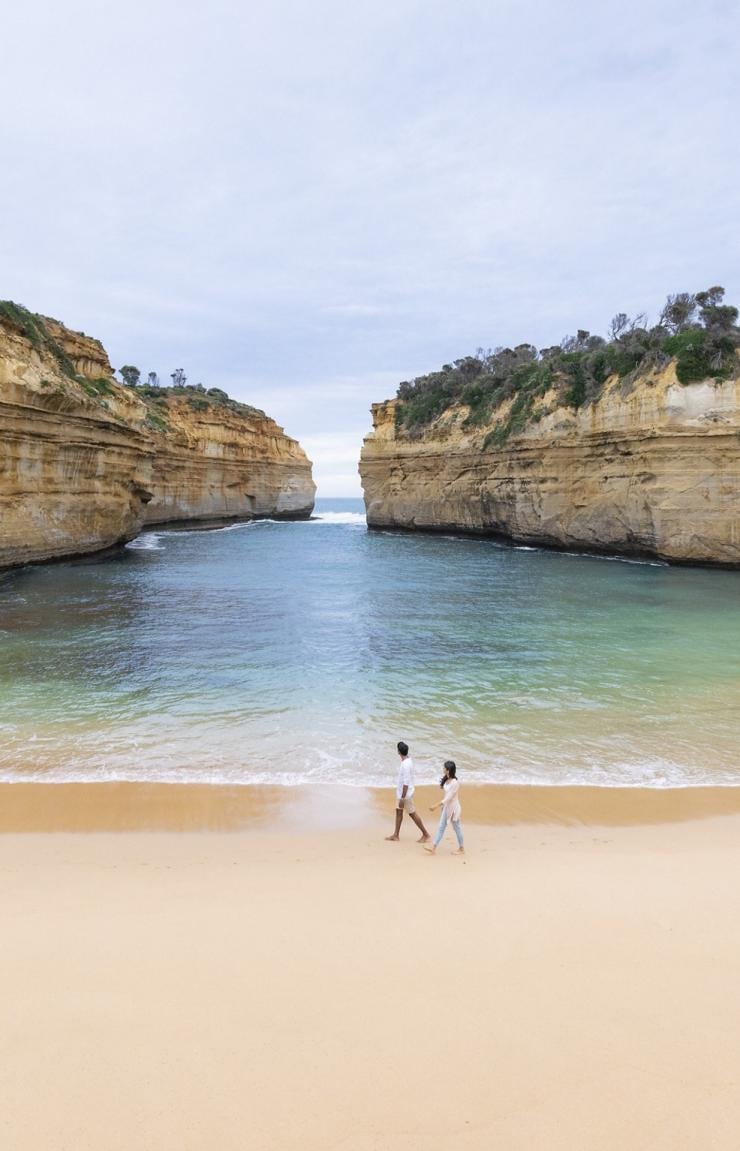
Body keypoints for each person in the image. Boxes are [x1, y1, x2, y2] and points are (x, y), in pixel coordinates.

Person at [385, 741, 430, 843]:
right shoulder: (408, 761)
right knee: (399, 811)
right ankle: (396, 835)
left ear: (398, 752)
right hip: (403, 793)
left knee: (412, 814)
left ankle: (426, 834)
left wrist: (402, 797)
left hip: (405, 794)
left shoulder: (405, 765)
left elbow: (406, 783)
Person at [424, 760, 464, 854]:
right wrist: (443, 807)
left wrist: (436, 806)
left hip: (453, 809)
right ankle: (433, 847)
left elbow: (448, 798)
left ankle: (461, 849)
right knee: (441, 827)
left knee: (457, 828)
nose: (443, 769)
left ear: (448, 770)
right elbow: (446, 796)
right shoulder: (447, 779)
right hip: (447, 808)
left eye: (444, 768)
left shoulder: (455, 783)